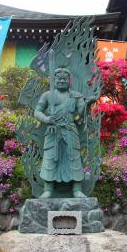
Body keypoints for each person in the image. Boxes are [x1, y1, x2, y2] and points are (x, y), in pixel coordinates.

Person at [34, 68, 88, 198]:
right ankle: (48, 189)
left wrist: (84, 104)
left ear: (69, 81)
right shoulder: (48, 95)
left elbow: (79, 115)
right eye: (59, 79)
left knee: (74, 158)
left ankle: (77, 189)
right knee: (50, 158)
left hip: (70, 129)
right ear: (54, 80)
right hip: (53, 130)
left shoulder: (75, 95)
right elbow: (37, 111)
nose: (62, 81)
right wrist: (45, 119)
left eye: (65, 79)